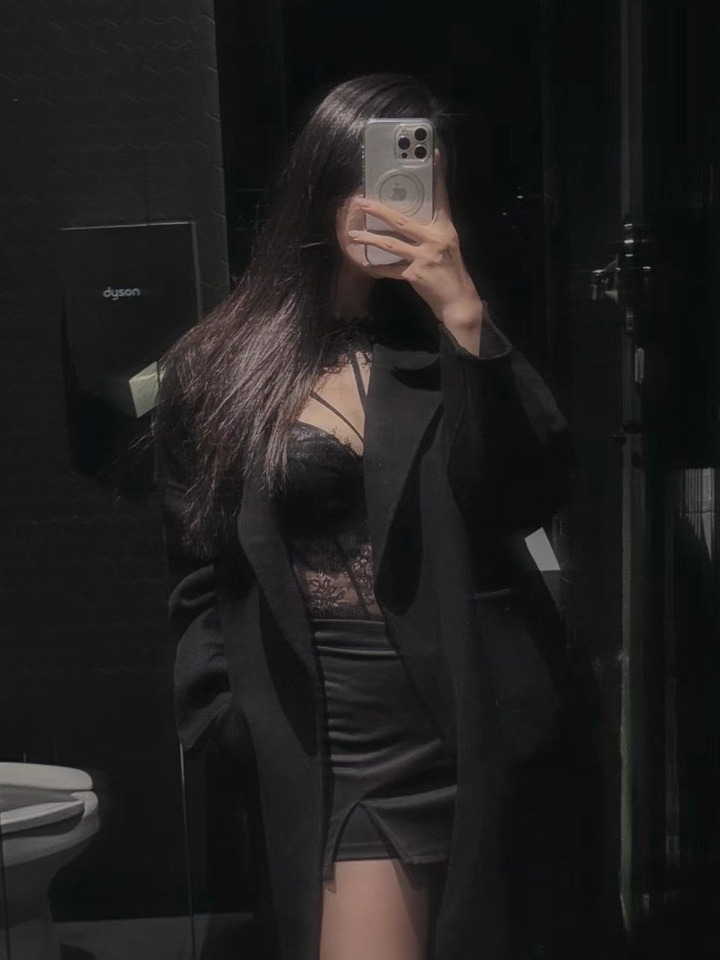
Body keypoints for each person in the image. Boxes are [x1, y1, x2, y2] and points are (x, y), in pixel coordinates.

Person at [153, 73, 584, 960]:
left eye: (418, 178)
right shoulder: (220, 367)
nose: (389, 199)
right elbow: (197, 567)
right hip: (339, 739)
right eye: (369, 171)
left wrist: (465, 318)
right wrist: (223, 713)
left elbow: (525, 497)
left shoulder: (453, 340)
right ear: (321, 180)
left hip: (478, 716)